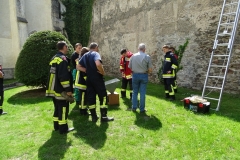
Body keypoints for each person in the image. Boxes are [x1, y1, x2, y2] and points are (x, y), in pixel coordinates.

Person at [78, 42, 114, 122]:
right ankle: (104, 117)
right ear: (96, 47)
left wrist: (86, 70)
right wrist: (102, 72)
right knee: (103, 96)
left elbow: (78, 66)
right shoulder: (95, 54)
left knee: (91, 97)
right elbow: (98, 64)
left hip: (89, 79)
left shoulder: (85, 55)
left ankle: (94, 117)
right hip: (97, 79)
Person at [46, 41, 74, 134]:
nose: (67, 48)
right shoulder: (62, 59)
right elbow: (63, 77)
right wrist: (68, 90)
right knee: (63, 108)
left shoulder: (54, 58)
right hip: (60, 89)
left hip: (53, 89)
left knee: (57, 107)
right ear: (64, 47)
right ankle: (63, 129)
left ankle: (56, 126)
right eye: (66, 46)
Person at [128, 43, 152, 113]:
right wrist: (147, 71)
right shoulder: (147, 56)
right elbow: (150, 69)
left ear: (138, 49)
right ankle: (142, 109)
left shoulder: (133, 56)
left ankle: (134, 107)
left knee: (135, 92)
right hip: (144, 75)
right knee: (142, 93)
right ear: (144, 49)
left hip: (135, 75)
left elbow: (130, 67)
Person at [75, 47, 90, 115]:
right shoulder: (83, 60)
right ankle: (83, 111)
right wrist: (87, 79)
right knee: (84, 96)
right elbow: (84, 72)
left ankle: (82, 108)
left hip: (79, 81)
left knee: (82, 96)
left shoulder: (80, 59)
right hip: (82, 81)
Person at [71, 43, 82, 108]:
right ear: (75, 48)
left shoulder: (80, 54)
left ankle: (80, 98)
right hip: (76, 71)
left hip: (80, 71)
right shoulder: (74, 55)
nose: (80, 49)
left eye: (81, 48)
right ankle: (77, 99)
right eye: (79, 48)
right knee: (77, 85)